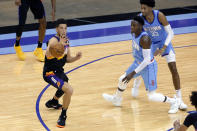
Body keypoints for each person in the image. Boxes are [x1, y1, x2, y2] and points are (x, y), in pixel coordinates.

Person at [102, 16, 179, 114]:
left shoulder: (145, 39)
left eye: (134, 25)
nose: (131, 27)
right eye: (131, 25)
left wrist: (132, 73)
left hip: (148, 67)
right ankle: (117, 99)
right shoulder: (134, 33)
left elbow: (147, 60)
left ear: (141, 26)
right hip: (137, 63)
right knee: (122, 79)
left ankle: (174, 102)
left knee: (152, 96)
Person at [130, 0, 187, 110]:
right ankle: (137, 82)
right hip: (150, 43)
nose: (142, 10)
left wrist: (163, 48)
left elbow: (171, 33)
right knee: (144, 64)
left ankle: (179, 99)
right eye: (141, 8)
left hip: (163, 42)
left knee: (174, 69)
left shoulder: (159, 16)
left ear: (151, 8)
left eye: (144, 8)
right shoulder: (140, 18)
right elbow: (137, 33)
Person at [43, 19, 82, 128]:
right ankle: (63, 116)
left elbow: (68, 59)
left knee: (65, 82)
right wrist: (59, 45)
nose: (64, 30)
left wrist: (76, 58)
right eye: (61, 28)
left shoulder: (67, 41)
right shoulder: (53, 41)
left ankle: (53, 102)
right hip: (49, 73)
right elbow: (47, 54)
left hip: (59, 71)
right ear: (57, 29)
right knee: (69, 89)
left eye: (65, 28)